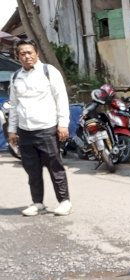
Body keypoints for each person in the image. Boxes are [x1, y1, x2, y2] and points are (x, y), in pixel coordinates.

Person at [7, 39, 72, 217]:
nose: (27, 56)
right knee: (32, 170)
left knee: (55, 167)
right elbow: (13, 105)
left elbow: (61, 99)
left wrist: (63, 124)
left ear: (37, 53)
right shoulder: (16, 77)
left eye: (30, 52)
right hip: (25, 131)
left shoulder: (49, 72)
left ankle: (64, 201)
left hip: (47, 129)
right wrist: (12, 130)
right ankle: (38, 203)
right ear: (17, 56)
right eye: (23, 53)